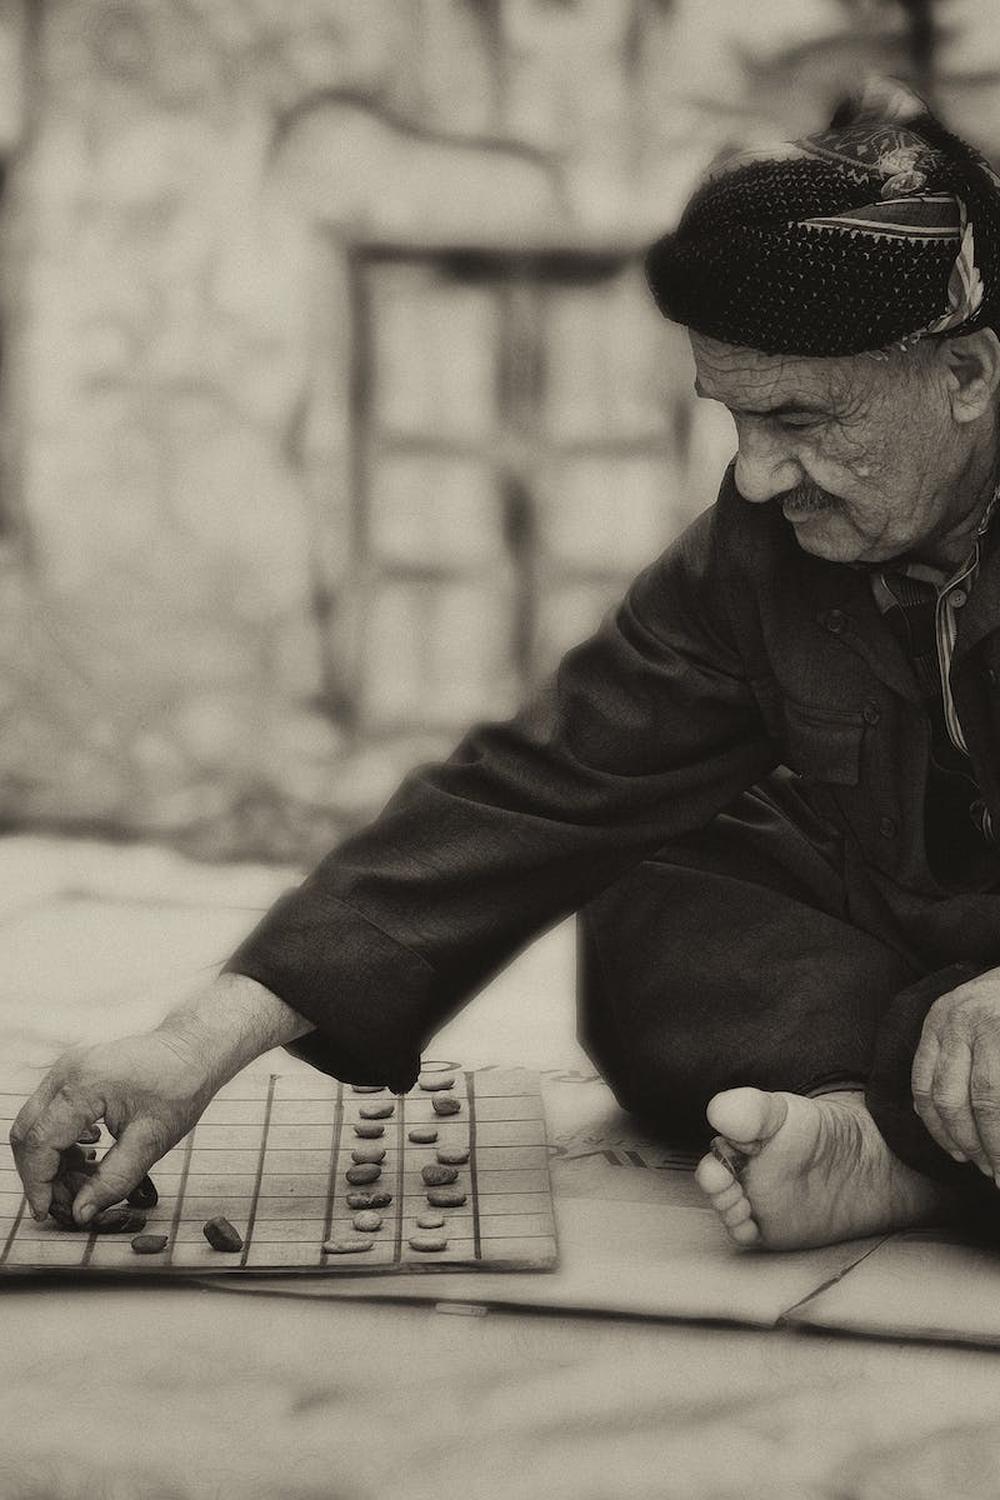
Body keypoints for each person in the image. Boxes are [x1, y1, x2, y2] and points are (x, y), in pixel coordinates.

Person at [14, 79, 1000, 1252]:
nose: (753, 477)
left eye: (801, 419)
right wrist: (198, 1040)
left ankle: (900, 1148)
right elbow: (536, 788)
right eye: (732, 420)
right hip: (913, 950)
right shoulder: (762, 546)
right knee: (645, 886)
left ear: (968, 376)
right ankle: (928, 1119)